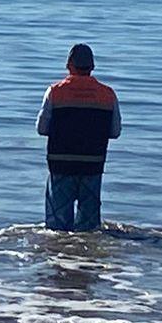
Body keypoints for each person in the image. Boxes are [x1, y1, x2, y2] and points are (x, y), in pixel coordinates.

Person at [36, 43, 121, 231]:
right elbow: (115, 132)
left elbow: (42, 129)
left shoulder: (55, 91)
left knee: (57, 226)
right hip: (93, 164)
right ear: (92, 67)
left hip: (61, 163)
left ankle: (61, 254)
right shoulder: (107, 94)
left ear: (68, 65)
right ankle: (86, 256)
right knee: (89, 227)